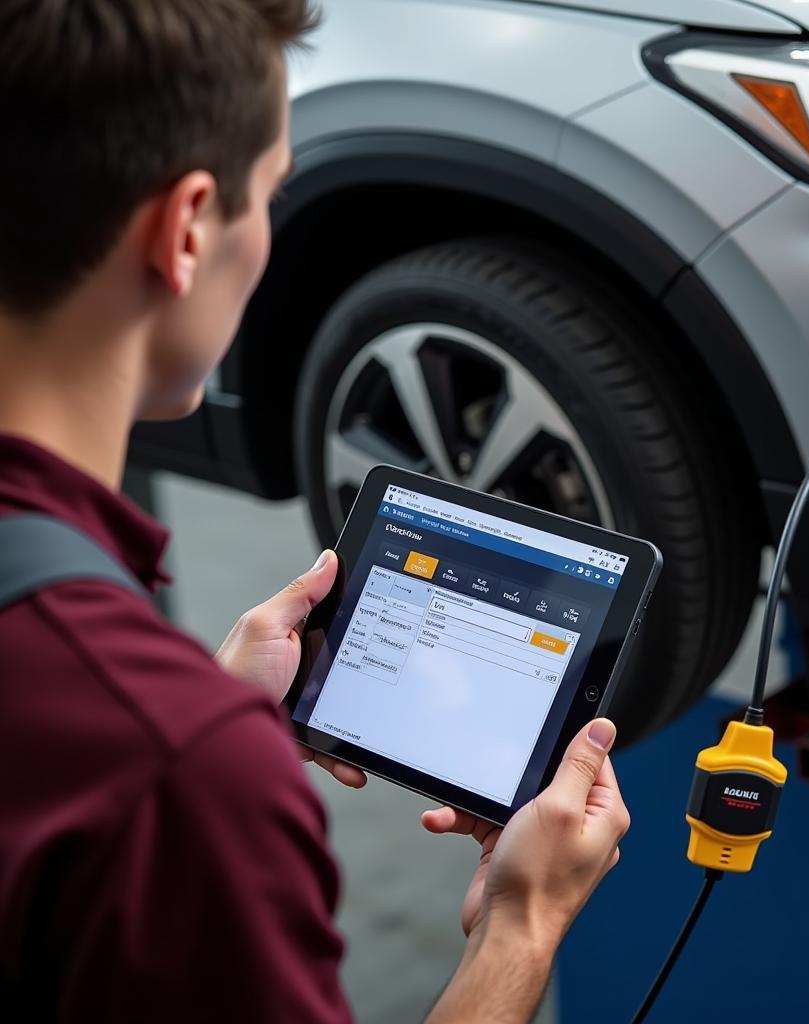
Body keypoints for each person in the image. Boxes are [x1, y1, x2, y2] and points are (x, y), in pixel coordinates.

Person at [0, 2, 631, 1021]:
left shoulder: (142, 743)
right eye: (273, 193)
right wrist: (522, 925)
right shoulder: (181, 779)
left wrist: (200, 713)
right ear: (188, 228)